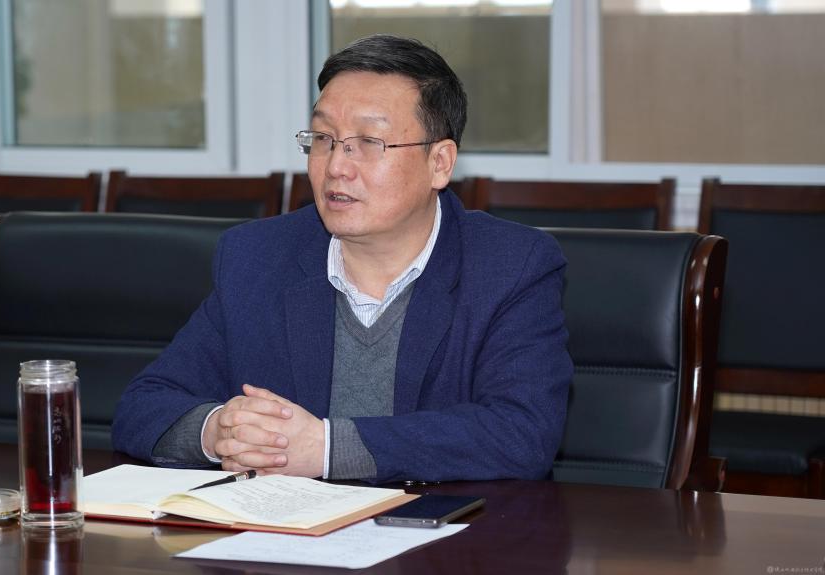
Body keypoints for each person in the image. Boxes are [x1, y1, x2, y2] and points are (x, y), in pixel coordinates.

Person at [112, 34, 572, 484]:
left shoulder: (511, 266)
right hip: (289, 529)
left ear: (440, 163)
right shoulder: (257, 256)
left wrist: (327, 448)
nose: (335, 166)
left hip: (443, 530)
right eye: (324, 138)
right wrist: (219, 432)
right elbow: (143, 406)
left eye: (369, 142)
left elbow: (523, 432)